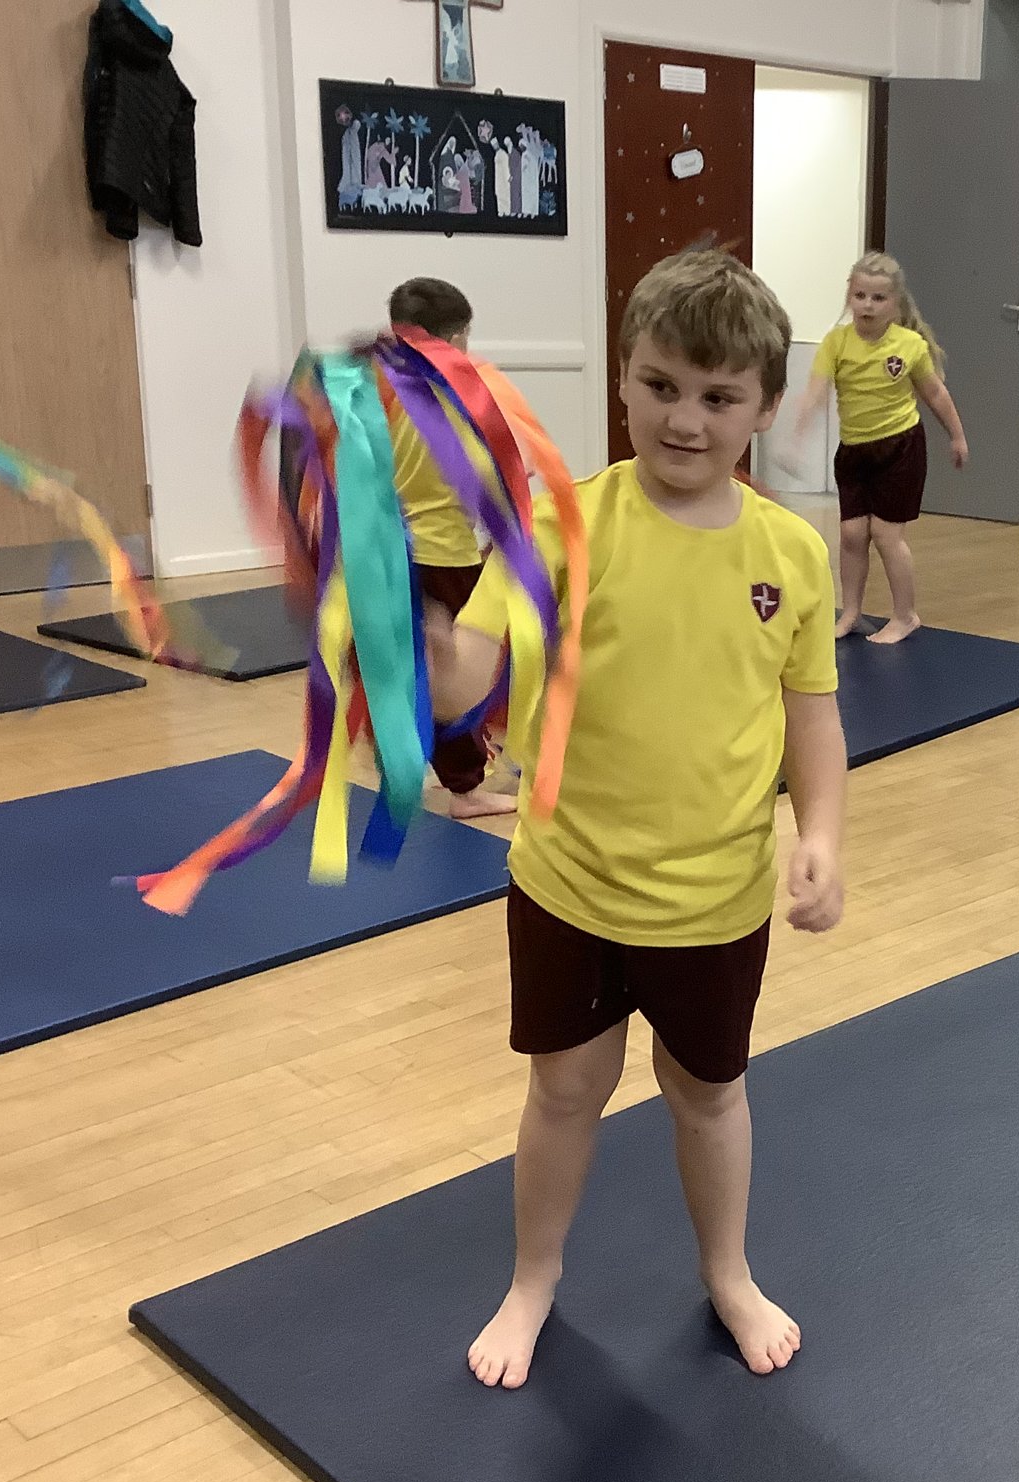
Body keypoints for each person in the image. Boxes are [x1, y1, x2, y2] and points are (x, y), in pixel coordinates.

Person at [425, 246, 847, 1387]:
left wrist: (819, 837)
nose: (685, 420)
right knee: (564, 1090)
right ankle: (533, 1278)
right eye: (661, 386)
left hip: (713, 897)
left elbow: (809, 717)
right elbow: (470, 678)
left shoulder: (791, 555)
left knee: (707, 1094)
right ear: (622, 379)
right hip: (569, 881)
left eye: (718, 398)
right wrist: (422, 639)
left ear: (762, 407)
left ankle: (727, 1272)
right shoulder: (564, 524)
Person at [790, 252, 968, 644]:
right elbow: (816, 392)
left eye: (878, 298)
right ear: (849, 297)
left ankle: (905, 615)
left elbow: (935, 393)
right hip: (854, 452)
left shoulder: (909, 345)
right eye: (860, 296)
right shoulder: (836, 343)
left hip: (900, 449)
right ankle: (851, 611)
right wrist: (798, 434)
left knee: (887, 535)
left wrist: (956, 436)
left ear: (895, 304)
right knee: (852, 535)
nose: (867, 305)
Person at [384, 276, 513, 818]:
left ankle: (413, 758)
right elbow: (478, 473)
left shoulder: (385, 396)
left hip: (398, 553)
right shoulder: (452, 402)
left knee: (418, 660)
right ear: (456, 339)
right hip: (447, 554)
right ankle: (465, 788)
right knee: (460, 664)